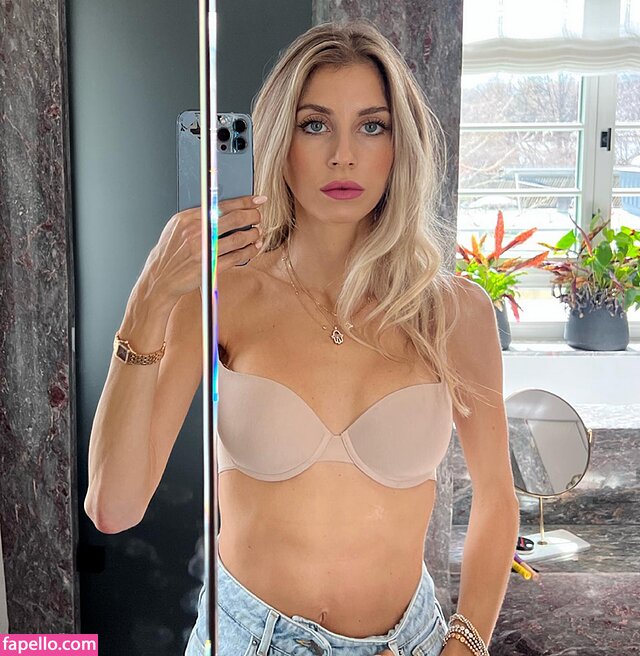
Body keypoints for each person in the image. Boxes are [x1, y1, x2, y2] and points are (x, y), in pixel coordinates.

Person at [85, 18, 520, 656]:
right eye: (315, 125)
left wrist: (466, 645)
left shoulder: (454, 313)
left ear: (400, 145)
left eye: (372, 126)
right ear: (279, 140)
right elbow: (113, 507)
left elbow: (498, 499)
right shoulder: (222, 296)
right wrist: (150, 299)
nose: (343, 155)